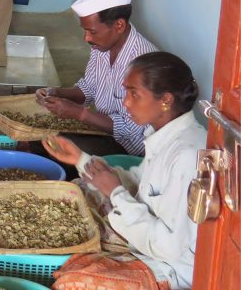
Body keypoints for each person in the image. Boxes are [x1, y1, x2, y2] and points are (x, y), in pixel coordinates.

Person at [43, 51, 205, 290]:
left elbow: (168, 246)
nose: (126, 102)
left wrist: (116, 192)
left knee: (72, 282)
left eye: (134, 94)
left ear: (166, 100)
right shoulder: (164, 135)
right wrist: (80, 158)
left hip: (172, 267)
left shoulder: (188, 155)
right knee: (74, 193)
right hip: (146, 238)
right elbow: (141, 183)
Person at [35, 0, 158, 156]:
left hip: (129, 149)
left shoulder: (143, 62)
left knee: (55, 147)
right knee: (39, 136)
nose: (87, 38)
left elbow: (130, 130)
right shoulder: (101, 46)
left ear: (119, 25)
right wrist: (56, 93)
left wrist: (79, 113)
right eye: (85, 31)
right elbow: (89, 88)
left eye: (92, 31)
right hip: (103, 131)